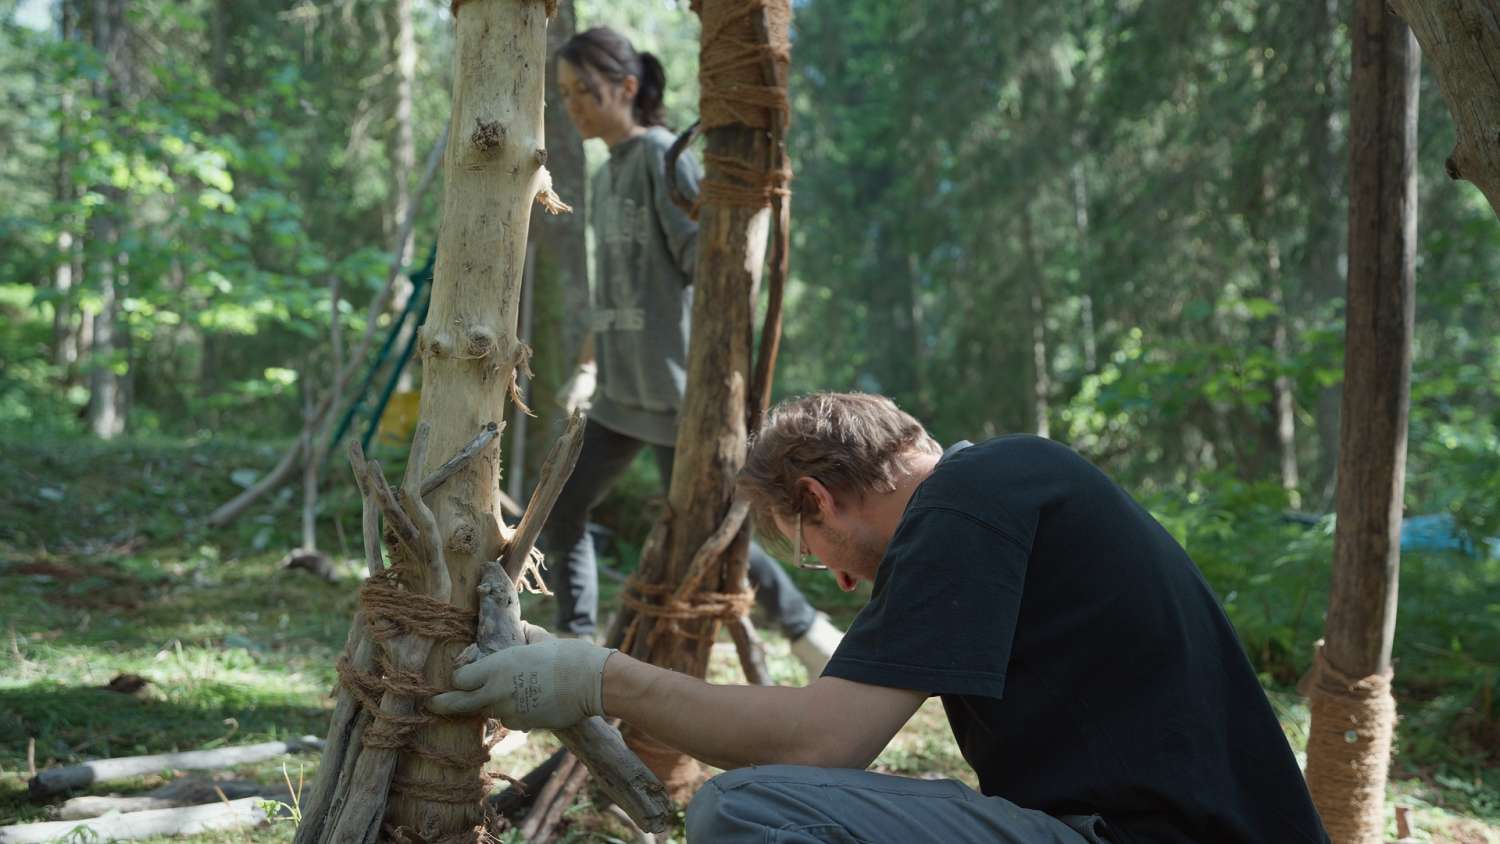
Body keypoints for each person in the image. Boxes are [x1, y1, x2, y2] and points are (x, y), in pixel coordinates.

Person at [432, 392, 1331, 844]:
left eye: (809, 549)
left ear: (818, 498)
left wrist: (598, 678)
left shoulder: (971, 500)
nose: (837, 579)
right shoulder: (1004, 487)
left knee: (747, 812)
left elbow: (822, 742)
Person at [543, 27, 840, 672]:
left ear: (627, 87)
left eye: (583, 91)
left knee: (713, 526)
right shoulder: (605, 173)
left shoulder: (661, 156)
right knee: (560, 511)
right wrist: (588, 366)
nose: (572, 107)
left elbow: (711, 266)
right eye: (563, 95)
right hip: (619, 394)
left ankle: (809, 634)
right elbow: (612, 287)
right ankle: (573, 646)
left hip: (677, 394)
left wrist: (718, 383)